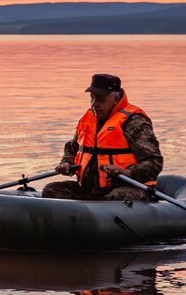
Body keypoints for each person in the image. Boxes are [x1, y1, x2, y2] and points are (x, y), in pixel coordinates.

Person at [42, 73, 163, 201]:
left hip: (129, 188)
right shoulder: (87, 119)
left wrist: (127, 172)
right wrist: (66, 163)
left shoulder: (134, 122)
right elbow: (72, 149)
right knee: (51, 190)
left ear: (116, 99)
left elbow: (154, 163)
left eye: (100, 99)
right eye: (92, 98)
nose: (94, 104)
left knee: (115, 197)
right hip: (90, 190)